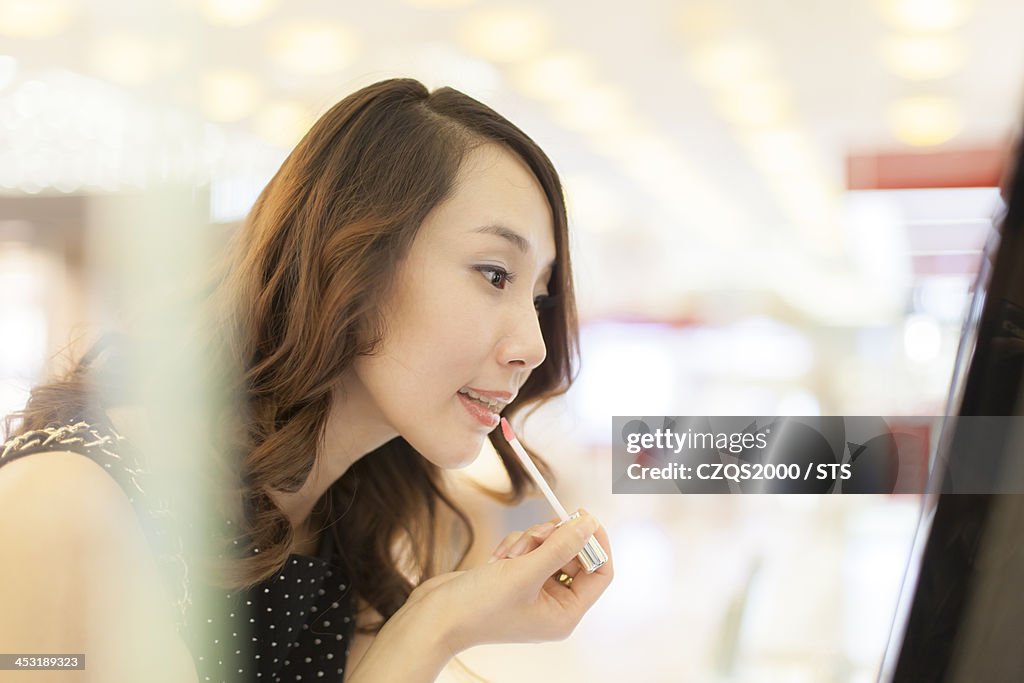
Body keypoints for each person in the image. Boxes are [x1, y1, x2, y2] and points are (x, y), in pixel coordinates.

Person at [0, 77, 613, 682]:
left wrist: (439, 619)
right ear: (350, 258)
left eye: (539, 297)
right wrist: (432, 626)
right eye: (494, 274)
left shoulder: (345, 521)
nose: (533, 347)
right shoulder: (67, 505)